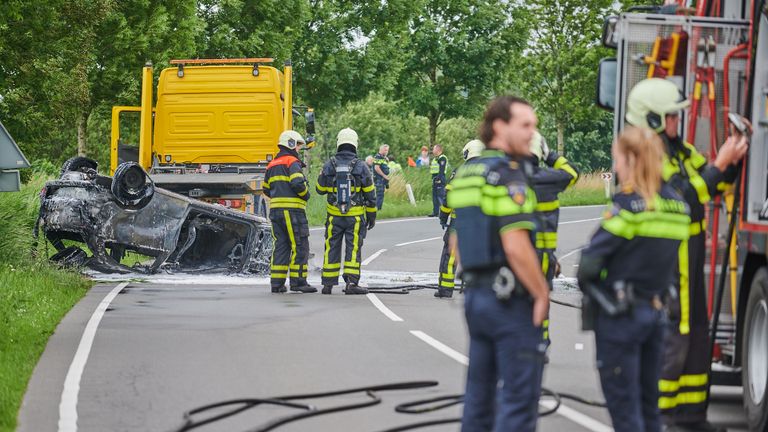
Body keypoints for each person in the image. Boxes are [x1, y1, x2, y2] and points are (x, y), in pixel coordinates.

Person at [625, 78, 748, 432]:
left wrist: (732, 158)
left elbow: (714, 182)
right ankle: (656, 418)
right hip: (667, 258)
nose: (679, 121)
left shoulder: (680, 152)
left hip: (688, 255)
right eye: (673, 116)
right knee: (672, 338)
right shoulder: (646, 155)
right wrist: (716, 168)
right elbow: (680, 199)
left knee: (695, 335)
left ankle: (690, 416)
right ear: (652, 119)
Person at [578, 127, 691, 432]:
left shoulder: (628, 205)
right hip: (656, 314)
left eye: (618, 160)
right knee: (649, 408)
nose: (615, 168)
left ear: (631, 158)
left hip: (620, 317)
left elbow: (588, 266)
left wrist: (600, 300)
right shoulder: (679, 207)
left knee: (625, 410)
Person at [448, 96, 549, 431]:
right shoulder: (509, 176)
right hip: (509, 302)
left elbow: (455, 242)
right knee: (518, 403)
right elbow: (516, 244)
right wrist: (541, 294)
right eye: (525, 125)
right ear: (499, 126)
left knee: (478, 399)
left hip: (477, 297)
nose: (531, 134)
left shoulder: (465, 174)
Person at [527, 131, 579, 347]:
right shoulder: (548, 180)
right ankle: (542, 340)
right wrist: (550, 155)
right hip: (545, 257)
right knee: (542, 298)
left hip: (517, 254)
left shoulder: (509, 177)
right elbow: (572, 173)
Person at [316, 128, 377, 295]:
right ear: (354, 144)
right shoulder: (361, 166)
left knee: (331, 246)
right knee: (353, 248)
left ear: (339, 142)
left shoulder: (329, 165)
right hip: (355, 218)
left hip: (334, 217)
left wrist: (324, 176)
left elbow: (320, 189)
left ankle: (327, 284)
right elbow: (370, 194)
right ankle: (351, 283)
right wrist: (371, 216)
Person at [263, 130, 316, 293]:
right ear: (291, 143)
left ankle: (277, 284)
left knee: (281, 246)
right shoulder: (292, 161)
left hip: (276, 212)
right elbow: (298, 183)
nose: (299, 148)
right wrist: (306, 194)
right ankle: (299, 282)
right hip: (293, 212)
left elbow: (266, 189)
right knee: (300, 244)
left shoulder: (272, 164)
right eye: (298, 145)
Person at [435, 139, 484, 298]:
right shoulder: (490, 171)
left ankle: (445, 289)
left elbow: (448, 198)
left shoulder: (459, 171)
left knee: (451, 254)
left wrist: (443, 215)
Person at [429, 144, 449, 217]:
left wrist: (439, 178)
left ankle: (443, 212)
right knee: (434, 195)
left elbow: (442, 169)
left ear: (438, 150)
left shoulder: (442, 158)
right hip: (434, 177)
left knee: (440, 195)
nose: (433, 151)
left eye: (434, 149)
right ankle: (435, 212)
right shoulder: (435, 159)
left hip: (440, 177)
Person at [373, 145, 390, 210]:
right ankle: (378, 209)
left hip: (382, 179)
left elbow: (384, 167)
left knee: (381, 194)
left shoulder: (383, 158)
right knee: (379, 194)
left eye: (387, 150)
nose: (387, 151)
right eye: (385, 150)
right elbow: (376, 168)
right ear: (381, 150)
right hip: (379, 179)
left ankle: (378, 208)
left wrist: (386, 159)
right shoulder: (378, 157)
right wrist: (384, 175)